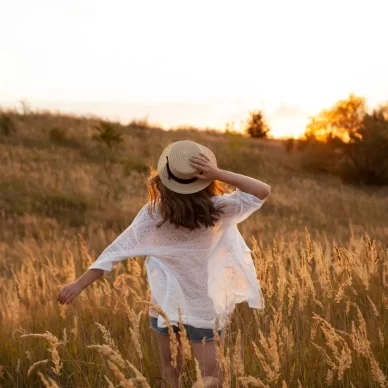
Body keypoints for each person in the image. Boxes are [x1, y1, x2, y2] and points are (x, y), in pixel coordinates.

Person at [57, 140, 271, 387]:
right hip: (202, 309)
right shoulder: (219, 209)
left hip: (166, 307)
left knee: (170, 375)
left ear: (164, 180)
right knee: (211, 379)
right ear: (205, 181)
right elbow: (261, 191)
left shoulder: (154, 214)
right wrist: (219, 174)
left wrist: (79, 284)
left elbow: (115, 252)